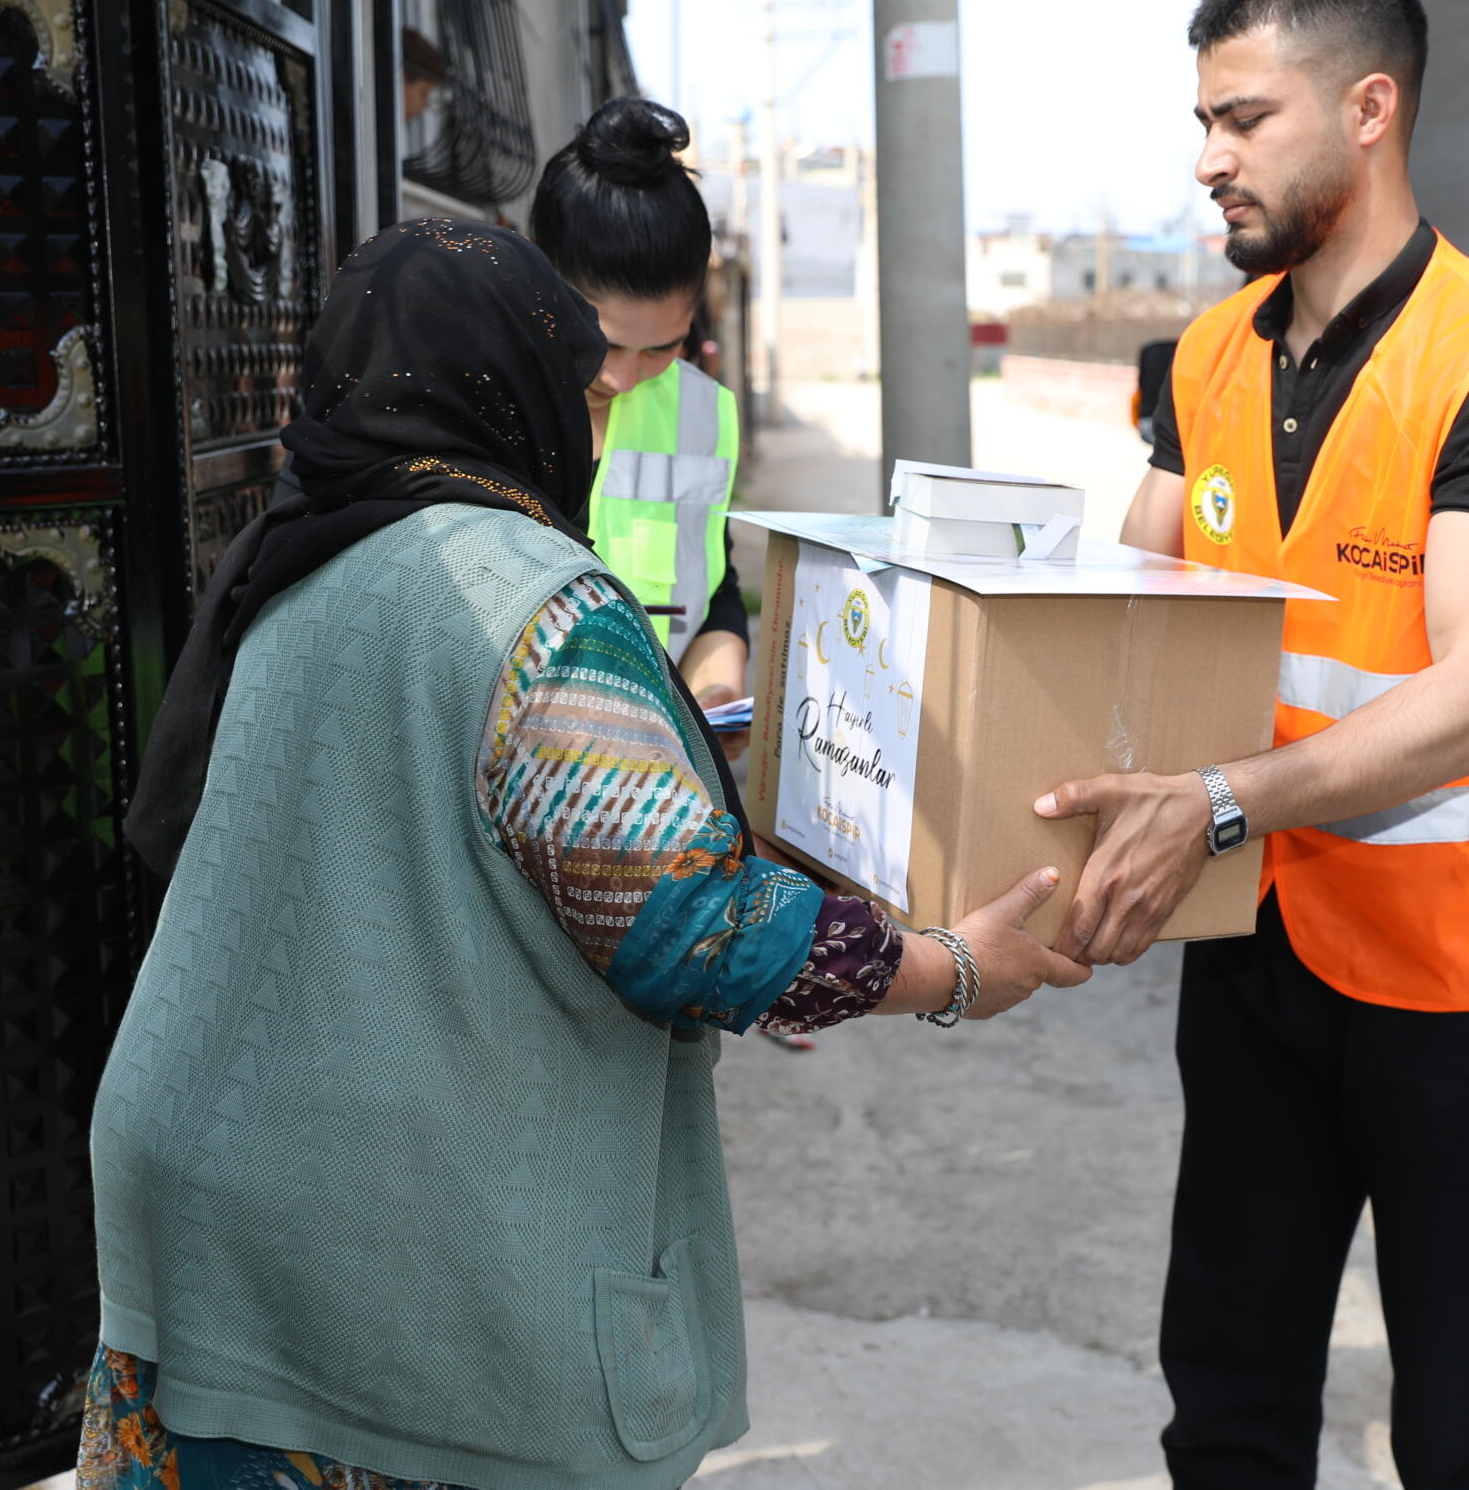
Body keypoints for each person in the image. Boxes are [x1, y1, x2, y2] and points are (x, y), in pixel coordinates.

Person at [90, 220, 1088, 1490]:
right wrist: (949, 967)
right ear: (505, 394)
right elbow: (690, 929)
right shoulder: (534, 598)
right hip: (371, 1250)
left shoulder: (295, 552)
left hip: (203, 1201)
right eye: (581, 391)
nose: (604, 424)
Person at [1035, 0, 1469, 1489]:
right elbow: (1131, 597)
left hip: (1466, 971)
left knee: (1464, 1425)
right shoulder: (1211, 353)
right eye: (1206, 124)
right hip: (1263, 951)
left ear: (1370, 108)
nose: (1210, 159)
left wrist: (1214, 802)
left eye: (1246, 119)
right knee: (1225, 1387)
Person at [530, 98, 750, 732]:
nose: (622, 377)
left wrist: (716, 688)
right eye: (599, 343)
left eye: (661, 348)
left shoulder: (705, 414)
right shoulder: (478, 406)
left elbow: (713, 593)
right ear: (539, 284)